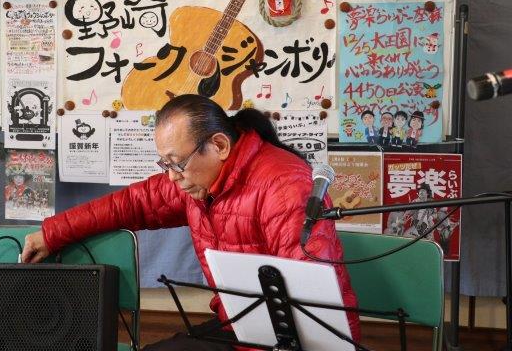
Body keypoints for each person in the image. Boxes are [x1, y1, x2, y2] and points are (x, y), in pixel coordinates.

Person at [22, 94, 360, 348]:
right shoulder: (198, 181)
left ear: (219, 145)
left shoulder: (285, 186)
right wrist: (52, 234)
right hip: (242, 327)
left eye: (177, 162)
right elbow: (133, 203)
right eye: (165, 163)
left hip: (297, 340)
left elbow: (311, 303)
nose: (171, 177)